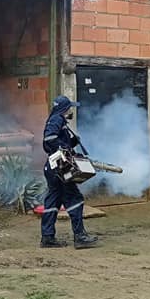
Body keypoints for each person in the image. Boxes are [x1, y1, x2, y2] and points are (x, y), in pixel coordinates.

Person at [40, 95, 99, 249]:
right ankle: (80, 237)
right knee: (75, 199)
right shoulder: (57, 119)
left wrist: (71, 142)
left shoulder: (57, 120)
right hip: (60, 169)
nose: (71, 111)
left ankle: (47, 237)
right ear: (64, 109)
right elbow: (49, 139)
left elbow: (55, 140)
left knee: (53, 202)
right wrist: (64, 148)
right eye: (69, 108)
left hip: (52, 169)